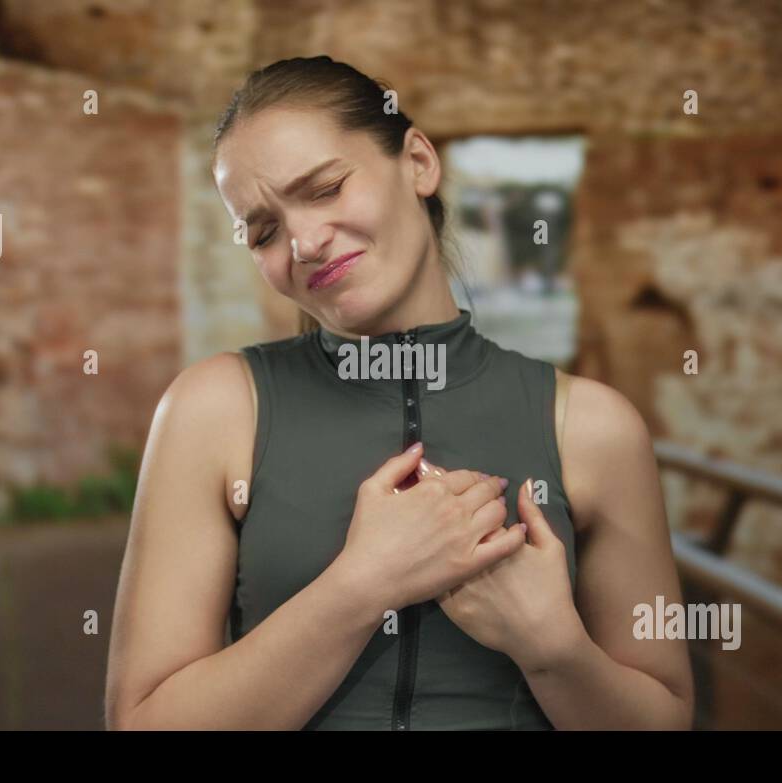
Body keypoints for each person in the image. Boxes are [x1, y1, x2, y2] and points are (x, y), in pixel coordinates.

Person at [104, 56, 693, 730]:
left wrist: (552, 646)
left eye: (325, 188)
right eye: (263, 230)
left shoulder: (593, 426)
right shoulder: (213, 410)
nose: (304, 242)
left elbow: (664, 719)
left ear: (418, 161)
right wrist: (364, 583)